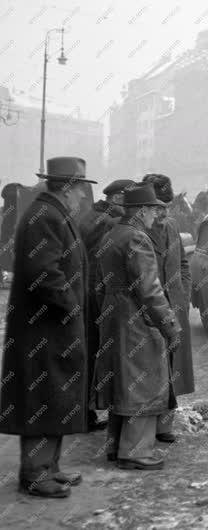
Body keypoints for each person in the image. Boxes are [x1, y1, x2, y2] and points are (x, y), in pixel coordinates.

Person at [0, 157, 97, 498]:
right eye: (81, 188)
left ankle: (50, 468)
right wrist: (71, 306)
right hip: (44, 329)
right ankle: (35, 473)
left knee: (56, 398)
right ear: (67, 187)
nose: (84, 196)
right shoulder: (46, 215)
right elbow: (44, 271)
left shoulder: (53, 212)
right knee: (43, 397)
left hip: (53, 328)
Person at [92, 183, 181, 470]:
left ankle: (116, 446)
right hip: (136, 317)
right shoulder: (137, 239)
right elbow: (150, 289)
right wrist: (169, 324)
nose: (157, 216)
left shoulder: (112, 234)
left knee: (121, 379)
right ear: (142, 211)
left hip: (113, 314)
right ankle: (135, 452)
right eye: (155, 210)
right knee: (142, 381)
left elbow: (98, 283)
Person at [79, 178, 135, 432]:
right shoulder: (103, 219)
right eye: (127, 199)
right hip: (95, 294)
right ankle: (86, 413)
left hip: (92, 291)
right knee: (93, 352)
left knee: (93, 352)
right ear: (116, 198)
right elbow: (94, 250)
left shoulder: (97, 214)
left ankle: (87, 411)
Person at [142, 173, 194, 443]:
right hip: (147, 312)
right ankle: (143, 426)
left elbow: (183, 265)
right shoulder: (135, 230)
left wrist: (182, 298)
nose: (163, 212)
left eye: (166, 206)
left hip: (174, 309)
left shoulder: (172, 228)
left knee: (172, 368)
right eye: (157, 207)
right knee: (148, 369)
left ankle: (165, 424)